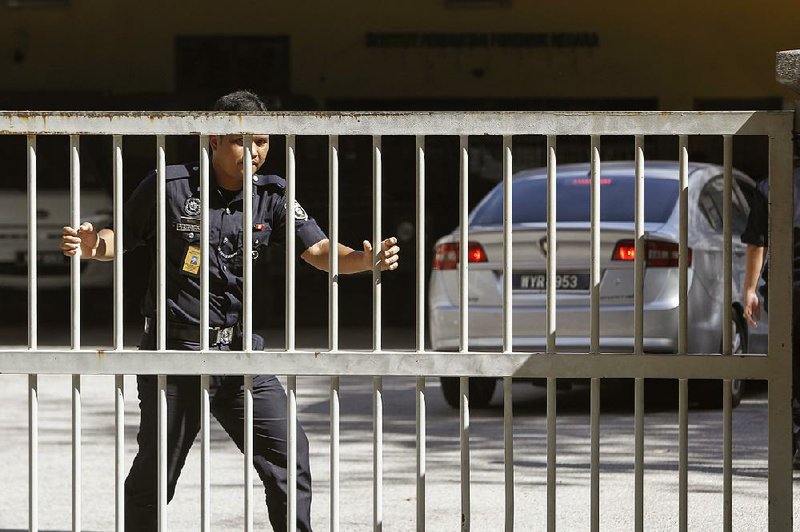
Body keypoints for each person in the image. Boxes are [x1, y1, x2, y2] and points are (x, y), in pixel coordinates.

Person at [60, 90, 400, 531]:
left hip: (241, 354)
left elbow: (316, 248)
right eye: (244, 141)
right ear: (214, 141)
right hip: (175, 351)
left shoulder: (273, 194)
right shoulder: (170, 184)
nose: (255, 152)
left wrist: (361, 260)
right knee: (156, 470)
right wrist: (92, 246)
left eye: (262, 142)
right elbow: (120, 236)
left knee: (289, 453)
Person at [741, 166, 800, 468]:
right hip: (786, 287)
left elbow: (757, 241)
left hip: (787, 288)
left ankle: (793, 440)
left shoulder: (771, 184)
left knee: (789, 367)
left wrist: (750, 289)